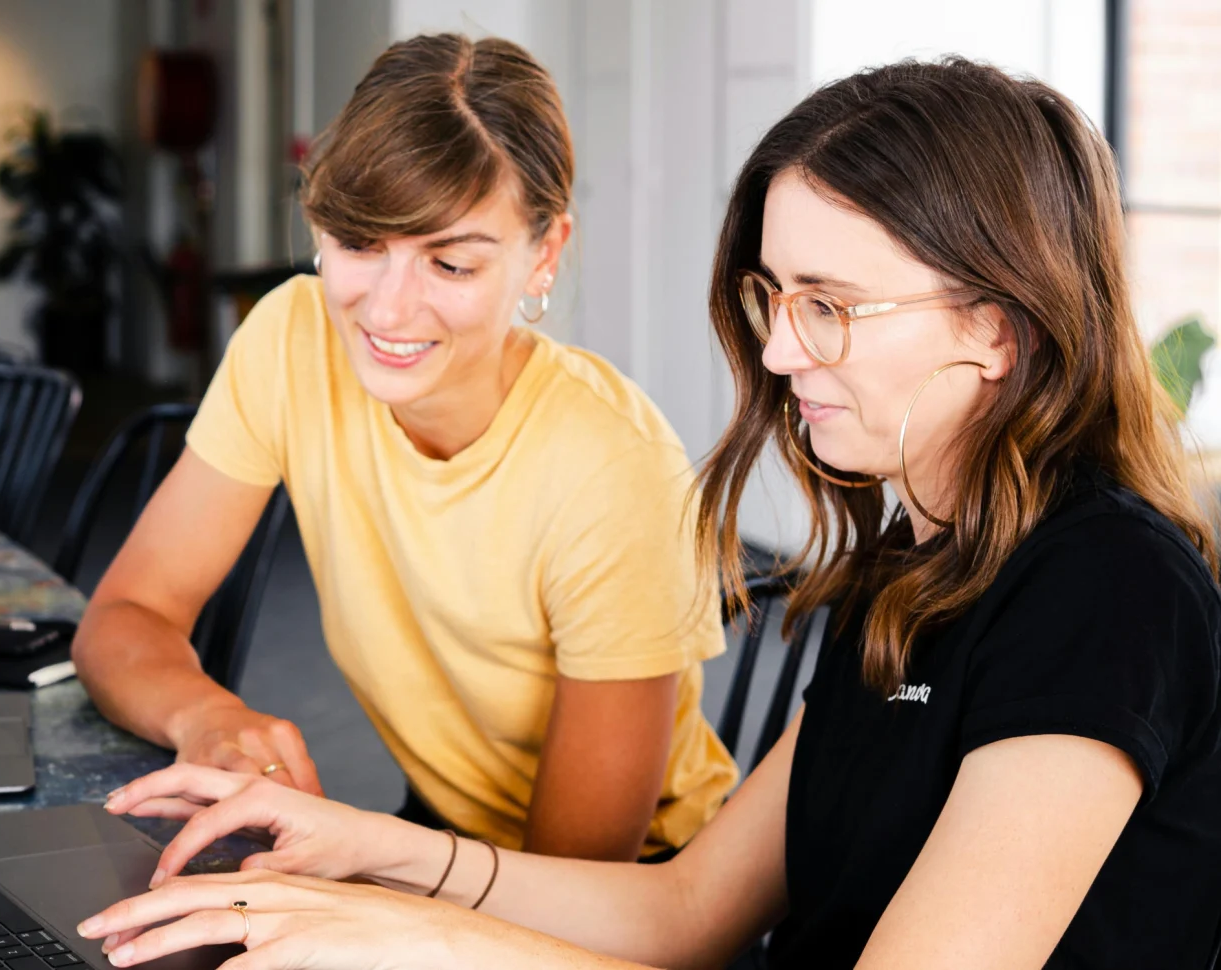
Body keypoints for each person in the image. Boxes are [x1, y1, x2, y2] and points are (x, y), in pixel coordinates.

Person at [73, 57, 1221, 969]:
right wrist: (367, 853)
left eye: (828, 305)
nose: (774, 349)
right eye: (775, 297)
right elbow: (684, 913)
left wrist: (405, 932)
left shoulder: (1108, 588)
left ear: (995, 325)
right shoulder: (918, 566)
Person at [71, 32, 736, 864]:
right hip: (442, 831)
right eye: (359, 244)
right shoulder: (291, 337)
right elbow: (123, 619)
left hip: (629, 897)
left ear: (544, 255)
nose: (387, 311)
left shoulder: (614, 471)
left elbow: (575, 886)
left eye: (450, 264)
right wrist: (206, 715)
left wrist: (365, 860)